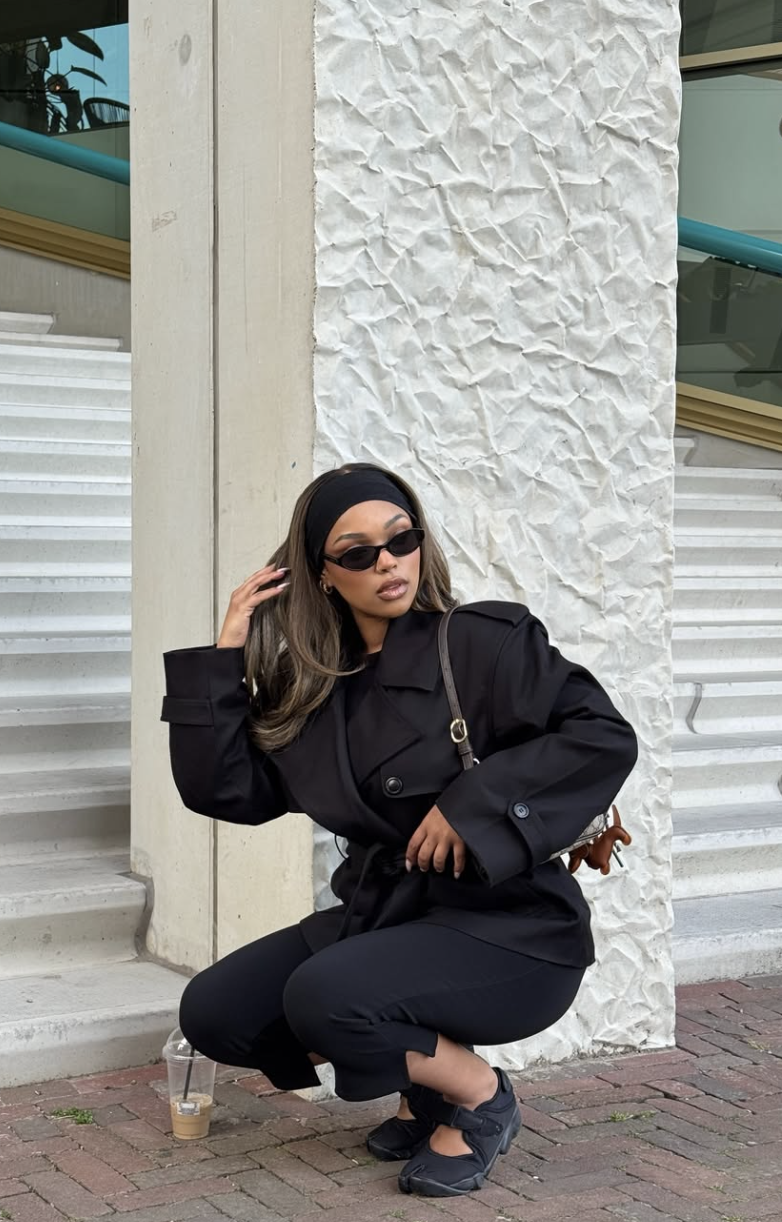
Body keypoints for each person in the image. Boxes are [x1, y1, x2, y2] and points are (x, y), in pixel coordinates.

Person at [161, 462, 637, 1198]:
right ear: (322, 576)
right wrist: (225, 656)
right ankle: (427, 1090)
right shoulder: (313, 687)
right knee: (217, 1012)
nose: (387, 562)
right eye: (357, 553)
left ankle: (478, 1098)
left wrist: (472, 805)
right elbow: (225, 790)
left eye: (400, 540)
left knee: (324, 994)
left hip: (509, 926)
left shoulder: (481, 642)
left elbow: (601, 736)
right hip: (384, 914)